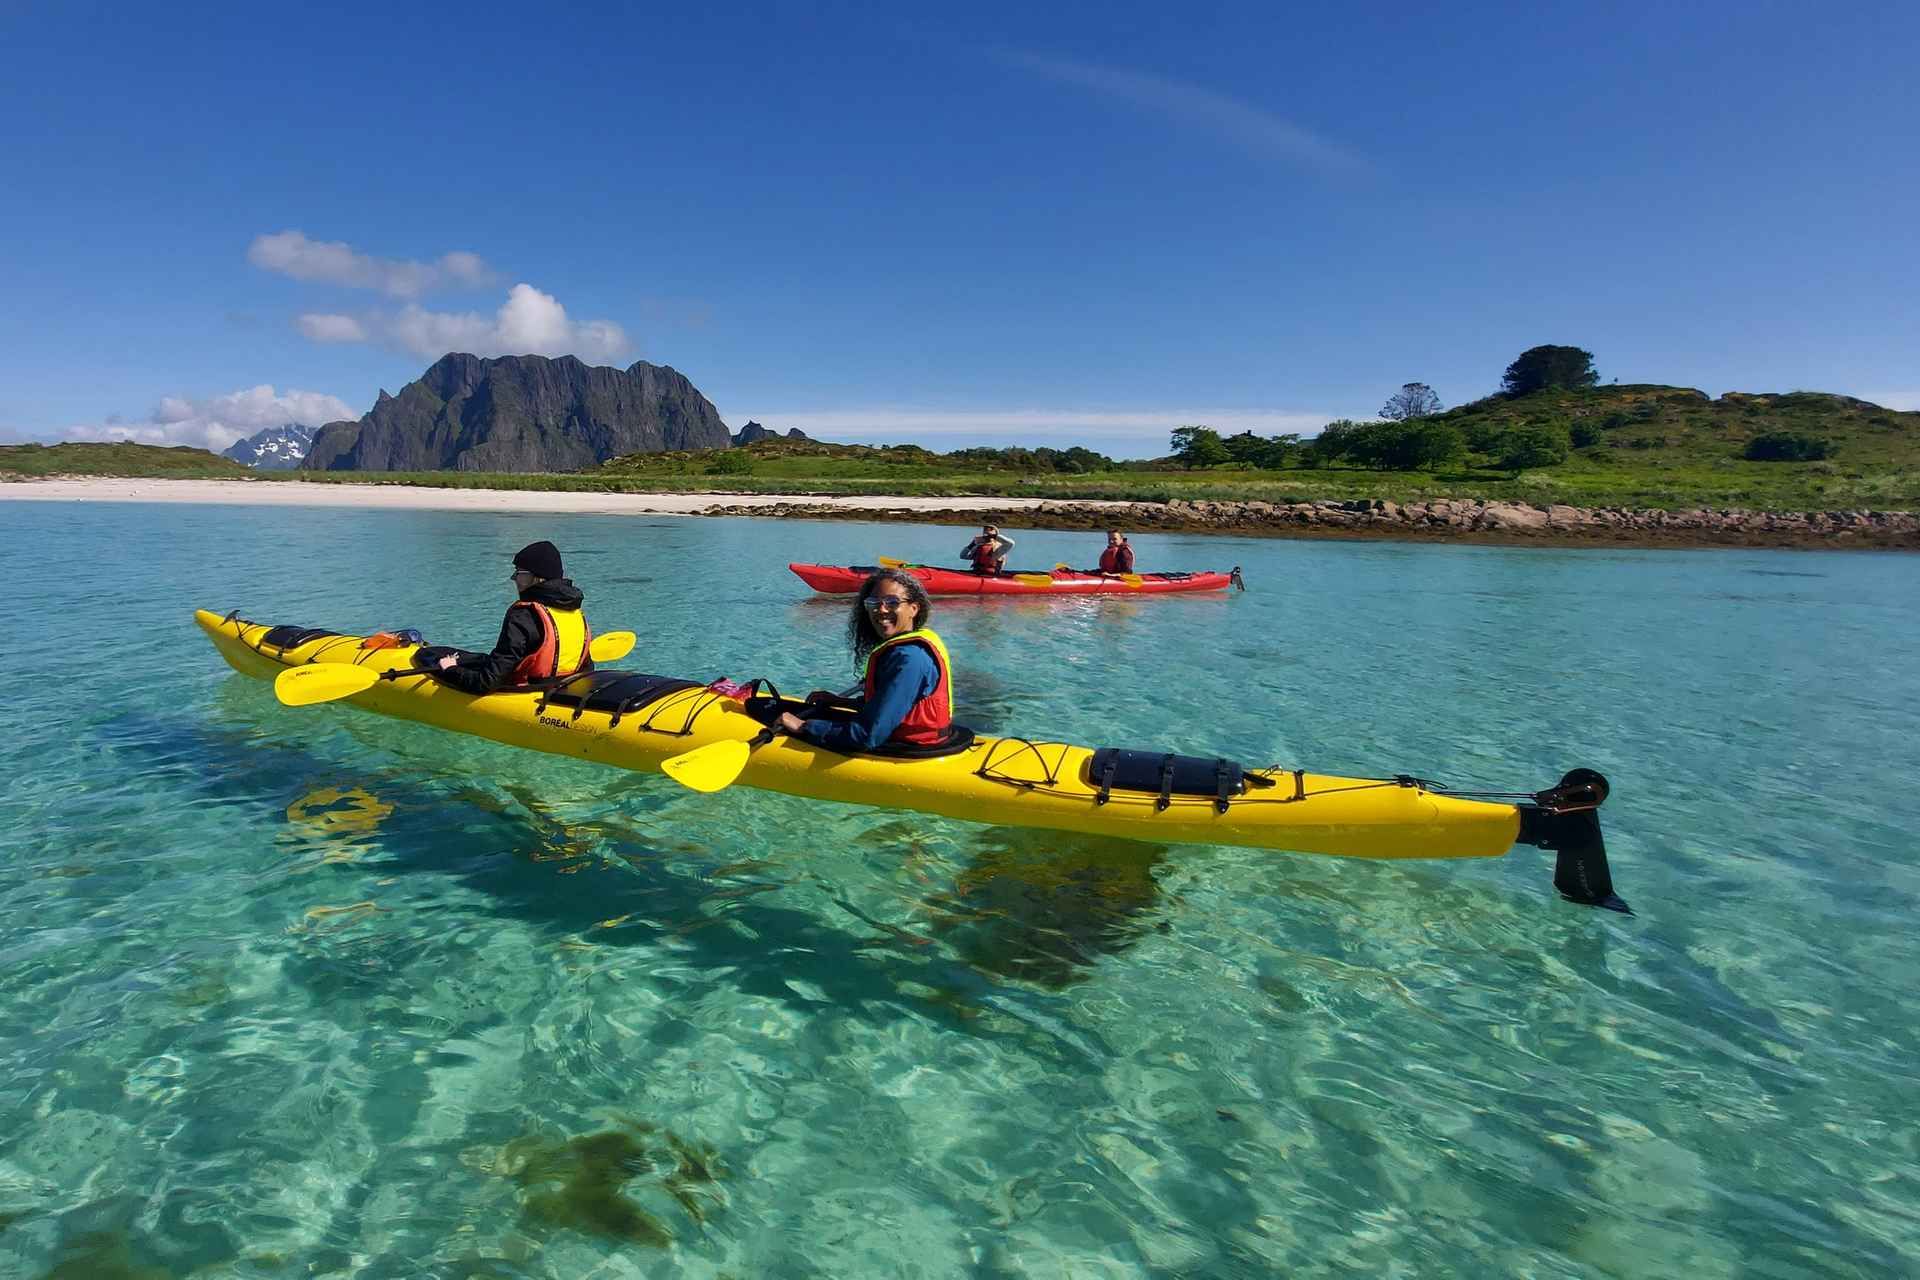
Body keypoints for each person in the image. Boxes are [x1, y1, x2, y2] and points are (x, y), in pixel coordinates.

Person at [776, 568, 952, 751]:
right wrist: (841, 703)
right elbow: (894, 705)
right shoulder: (907, 649)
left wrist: (804, 726)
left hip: (907, 746)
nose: (881, 610)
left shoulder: (909, 659)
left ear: (913, 609)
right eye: (873, 603)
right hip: (905, 736)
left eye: (892, 602)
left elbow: (868, 736)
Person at [433, 540, 593, 694]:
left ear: (538, 578)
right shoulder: (575, 611)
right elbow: (587, 668)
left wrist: (450, 670)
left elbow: (487, 682)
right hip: (564, 690)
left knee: (435, 660)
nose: (514, 578)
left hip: (528, 692)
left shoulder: (524, 615)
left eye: (519, 573)